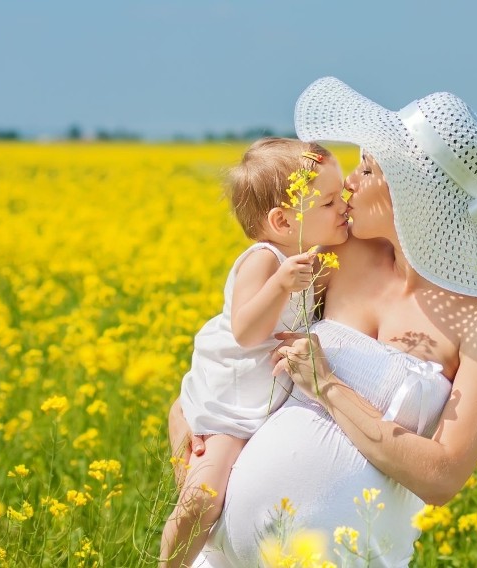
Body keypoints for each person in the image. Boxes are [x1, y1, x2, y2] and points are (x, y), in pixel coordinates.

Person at [169, 77, 477, 566]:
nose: (350, 183)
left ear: (411, 192)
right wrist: (184, 417)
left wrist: (329, 386)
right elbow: (236, 344)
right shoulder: (341, 252)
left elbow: (443, 478)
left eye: (368, 169)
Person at [160, 137, 351, 567]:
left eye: (344, 196)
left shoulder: (306, 257)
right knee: (202, 502)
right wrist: (282, 283)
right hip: (230, 408)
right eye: (329, 202)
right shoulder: (263, 261)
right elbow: (247, 331)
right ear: (283, 221)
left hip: (261, 401)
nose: (343, 207)